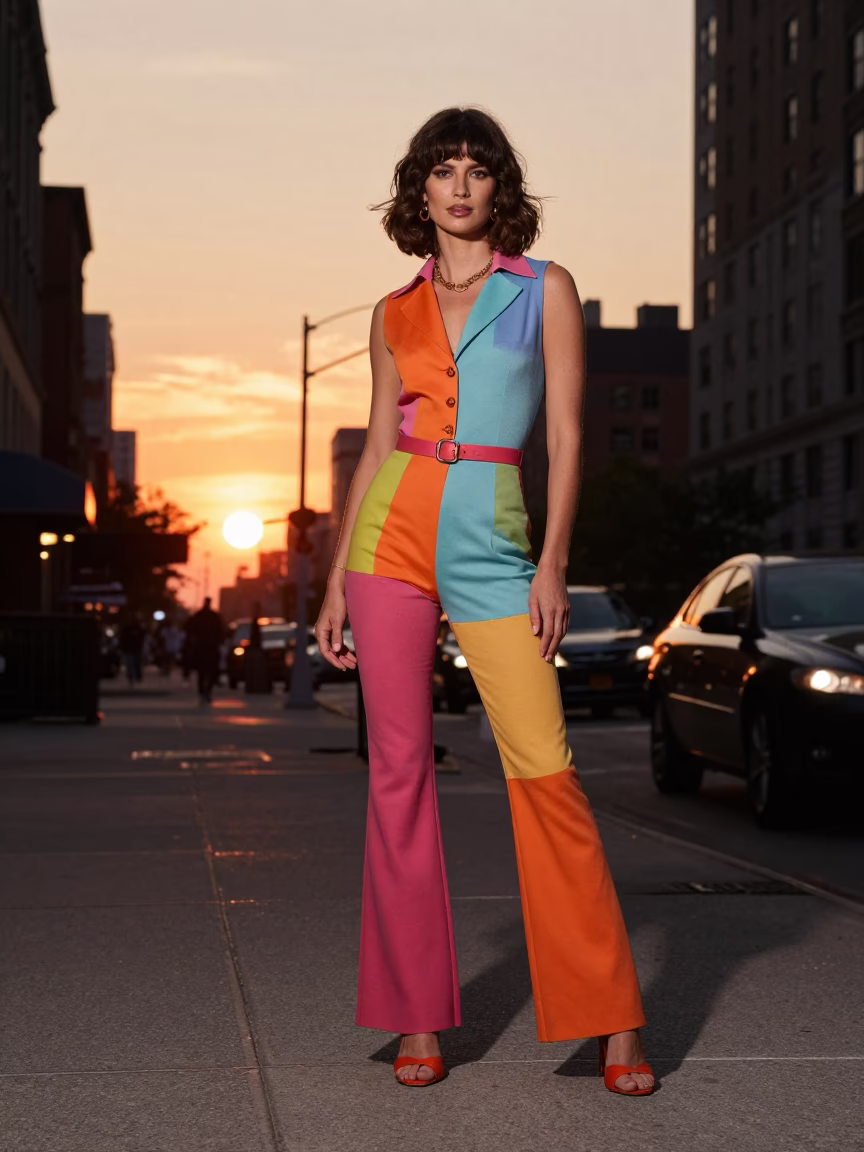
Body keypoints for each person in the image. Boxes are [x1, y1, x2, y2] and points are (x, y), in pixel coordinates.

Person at [314, 107, 654, 1096]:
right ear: (418, 191)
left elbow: (570, 436)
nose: (460, 186)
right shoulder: (392, 311)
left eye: (477, 169)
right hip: (389, 540)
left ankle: (612, 1018)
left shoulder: (545, 289)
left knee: (545, 770)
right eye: (442, 170)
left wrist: (553, 561)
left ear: (500, 186)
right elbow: (377, 446)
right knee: (397, 775)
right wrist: (334, 580)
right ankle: (417, 1018)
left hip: (498, 546)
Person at [186, 597, 225, 704]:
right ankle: (204, 691)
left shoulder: (208, 616)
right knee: (204, 671)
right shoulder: (207, 616)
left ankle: (205, 691)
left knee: (207, 671)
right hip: (204, 647)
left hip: (208, 647)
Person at [118, 613, 145, 687]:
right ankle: (131, 677)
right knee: (131, 664)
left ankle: (137, 677)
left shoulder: (139, 628)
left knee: (136, 664)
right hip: (130, 649)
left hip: (136, 649)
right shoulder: (127, 629)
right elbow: (122, 638)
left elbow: (142, 637)